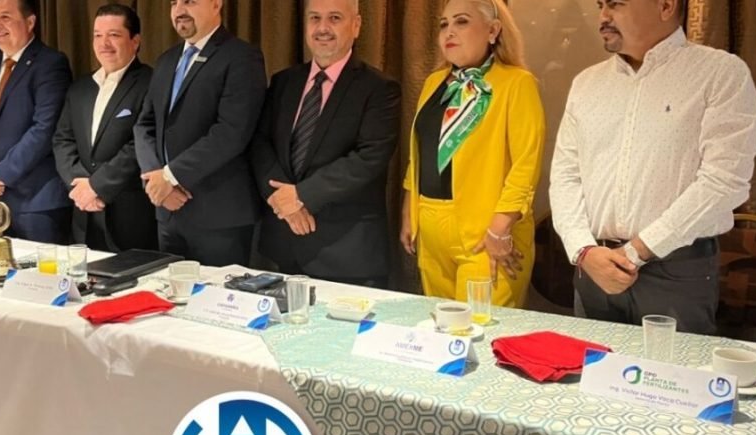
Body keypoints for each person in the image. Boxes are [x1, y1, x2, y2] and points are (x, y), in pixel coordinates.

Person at [550, 0, 756, 334]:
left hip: (676, 268)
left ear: (665, 6)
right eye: (600, 5)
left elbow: (725, 181)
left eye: (615, 4)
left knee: (674, 367)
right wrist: (583, 250)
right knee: (594, 366)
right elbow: (565, 176)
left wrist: (636, 251)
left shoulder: (720, 73)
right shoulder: (587, 83)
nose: (603, 16)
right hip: (594, 266)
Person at [401, 0, 544, 306]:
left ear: (493, 30)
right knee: (441, 324)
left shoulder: (517, 83)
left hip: (487, 232)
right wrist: (409, 210)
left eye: (462, 21)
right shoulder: (433, 83)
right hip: (430, 224)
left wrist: (500, 227)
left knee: (481, 326)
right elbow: (420, 154)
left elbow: (526, 164)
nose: (449, 31)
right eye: (443, 24)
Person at [250, 0, 400, 288]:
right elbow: (260, 144)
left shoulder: (379, 89)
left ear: (356, 25)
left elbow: (369, 158)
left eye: (334, 18)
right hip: (284, 246)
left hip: (347, 256)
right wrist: (284, 201)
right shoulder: (283, 82)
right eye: (314, 18)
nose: (322, 28)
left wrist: (302, 195)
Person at [134, 0, 266, 266]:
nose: (179, 10)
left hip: (218, 216)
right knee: (169, 291)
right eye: (174, 3)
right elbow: (144, 125)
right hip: (168, 212)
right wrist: (155, 179)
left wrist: (170, 176)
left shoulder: (241, 57)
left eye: (190, 1)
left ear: (216, 4)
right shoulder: (166, 60)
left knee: (216, 293)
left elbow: (232, 132)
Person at [0, 0, 72, 243]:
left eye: (5, 17)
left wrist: (0, 174)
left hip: (36, 201)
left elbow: (45, 128)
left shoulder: (50, 63)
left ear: (30, 22)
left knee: (38, 269)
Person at [53, 4, 156, 252]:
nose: (104, 43)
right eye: (98, 35)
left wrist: (97, 186)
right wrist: (80, 186)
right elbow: (62, 140)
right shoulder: (80, 88)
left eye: (114, 35)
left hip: (129, 215)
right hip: (83, 211)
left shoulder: (151, 82)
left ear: (135, 41)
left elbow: (141, 144)